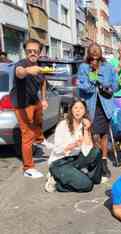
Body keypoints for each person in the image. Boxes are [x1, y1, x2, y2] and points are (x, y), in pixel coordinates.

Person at [10, 38, 50, 178]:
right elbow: (19, 72)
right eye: (29, 51)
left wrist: (44, 99)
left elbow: (43, 82)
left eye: (35, 51)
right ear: (25, 52)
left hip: (34, 100)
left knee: (39, 119)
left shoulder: (39, 66)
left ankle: (39, 139)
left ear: (39, 52)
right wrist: (27, 71)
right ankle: (28, 168)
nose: (32, 53)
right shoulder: (21, 64)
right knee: (27, 135)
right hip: (21, 104)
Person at [78, 43, 118, 180]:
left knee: (104, 135)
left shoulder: (108, 67)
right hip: (91, 105)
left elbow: (114, 85)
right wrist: (93, 74)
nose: (95, 55)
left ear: (101, 53)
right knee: (93, 135)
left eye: (97, 52)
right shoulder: (83, 67)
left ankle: (104, 161)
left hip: (105, 105)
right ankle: (96, 161)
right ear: (88, 54)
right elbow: (83, 87)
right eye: (92, 52)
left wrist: (104, 84)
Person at [45, 98, 103, 192]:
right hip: (59, 162)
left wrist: (87, 129)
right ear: (71, 110)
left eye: (81, 108)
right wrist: (73, 145)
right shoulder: (63, 125)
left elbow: (88, 151)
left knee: (96, 151)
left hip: (75, 160)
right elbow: (57, 149)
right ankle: (56, 182)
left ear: (85, 111)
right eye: (75, 108)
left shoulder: (83, 125)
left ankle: (90, 177)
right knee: (87, 185)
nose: (78, 111)